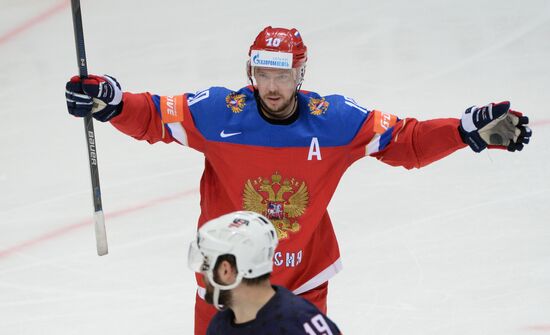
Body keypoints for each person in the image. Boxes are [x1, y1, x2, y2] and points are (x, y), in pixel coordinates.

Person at [65, 26, 532, 334]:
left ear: (301, 75)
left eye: (283, 76)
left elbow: (404, 142)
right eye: (263, 74)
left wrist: (464, 131)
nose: (271, 86)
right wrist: (110, 100)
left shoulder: (335, 121)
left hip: (302, 282)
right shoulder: (218, 113)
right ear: (251, 72)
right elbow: (151, 116)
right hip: (224, 282)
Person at [188, 210, 342, 334]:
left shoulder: (299, 323)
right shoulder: (220, 325)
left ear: (226, 270)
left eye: (207, 265)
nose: (203, 275)